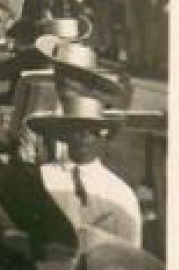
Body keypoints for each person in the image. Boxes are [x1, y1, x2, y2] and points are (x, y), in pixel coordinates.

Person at [29, 91, 143, 247]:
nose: (84, 136)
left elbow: (130, 257)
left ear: (105, 135)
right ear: (65, 132)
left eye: (93, 130)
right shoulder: (40, 178)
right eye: (77, 128)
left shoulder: (121, 194)